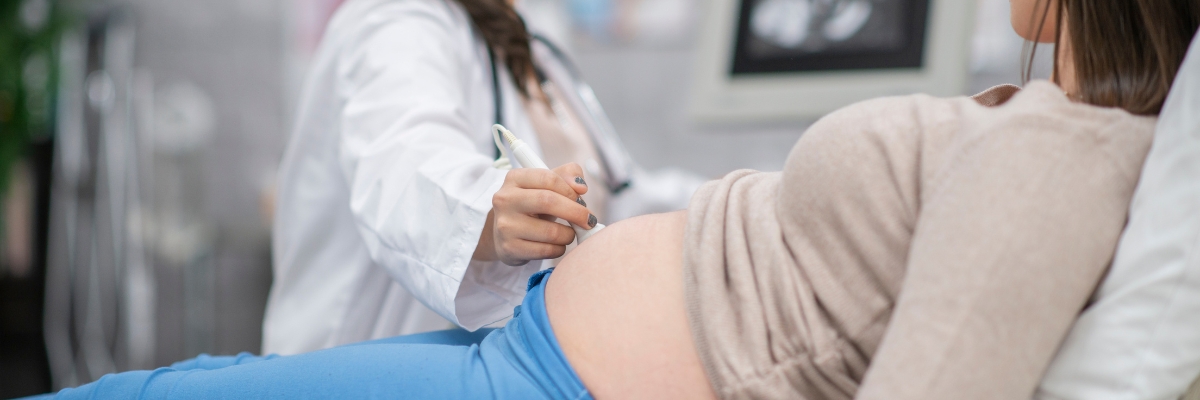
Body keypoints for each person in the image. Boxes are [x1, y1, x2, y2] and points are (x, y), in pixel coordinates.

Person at [39, 0, 1200, 398]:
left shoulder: (1059, 155)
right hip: (537, 347)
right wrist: (498, 211)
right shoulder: (416, 26)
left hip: (549, 376)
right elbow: (407, 165)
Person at [264, 0, 703, 354]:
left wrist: (727, 204)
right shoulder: (396, 21)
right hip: (364, 360)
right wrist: (490, 215)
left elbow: (609, 196)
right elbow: (404, 167)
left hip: (506, 359)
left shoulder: (528, 27)